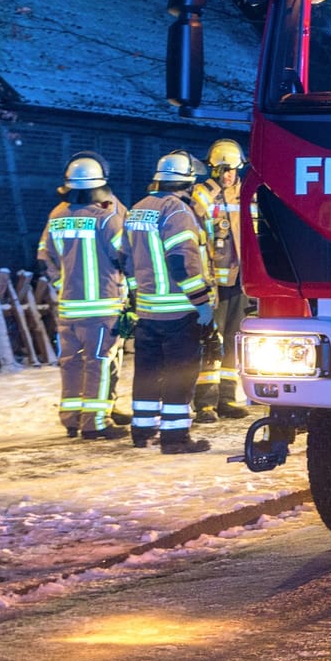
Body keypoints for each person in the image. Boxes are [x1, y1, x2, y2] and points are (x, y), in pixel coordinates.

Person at [125, 151, 216, 453]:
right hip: (177, 311)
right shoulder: (177, 212)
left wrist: (137, 298)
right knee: (181, 373)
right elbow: (182, 263)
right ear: (188, 182)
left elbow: (126, 262)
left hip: (148, 310)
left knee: (148, 372)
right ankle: (175, 439)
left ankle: (142, 430)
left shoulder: (138, 209)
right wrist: (201, 303)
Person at [37, 153, 130, 440]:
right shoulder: (107, 215)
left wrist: (63, 283)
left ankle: (72, 418)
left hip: (68, 307)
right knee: (100, 361)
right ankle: (96, 422)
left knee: (72, 362)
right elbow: (124, 254)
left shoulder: (57, 214)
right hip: (103, 305)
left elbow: (43, 258)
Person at [192, 138, 252, 422]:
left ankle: (227, 398)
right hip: (214, 282)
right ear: (213, 169)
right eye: (223, 170)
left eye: (233, 170)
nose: (228, 175)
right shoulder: (203, 195)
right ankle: (204, 402)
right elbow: (195, 228)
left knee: (233, 341)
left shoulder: (247, 194)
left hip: (242, 281)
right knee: (210, 341)